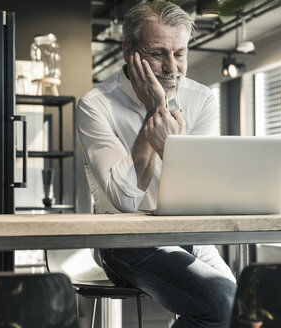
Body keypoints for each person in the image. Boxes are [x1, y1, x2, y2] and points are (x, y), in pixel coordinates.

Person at [77, 1, 237, 327]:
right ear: (127, 51)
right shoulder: (95, 105)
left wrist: (169, 149)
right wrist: (155, 113)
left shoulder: (201, 99)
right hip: (124, 244)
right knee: (220, 300)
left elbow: (202, 195)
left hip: (191, 236)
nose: (171, 67)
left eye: (179, 54)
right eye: (158, 53)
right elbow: (124, 200)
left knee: (243, 309)